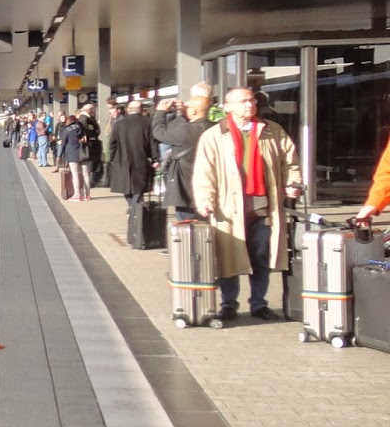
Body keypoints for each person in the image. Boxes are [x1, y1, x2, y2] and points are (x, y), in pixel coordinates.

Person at [193, 86, 301, 323]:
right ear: (228, 107)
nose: (249, 105)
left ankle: (259, 304)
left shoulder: (272, 130)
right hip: (228, 209)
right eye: (243, 101)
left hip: (263, 207)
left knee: (261, 258)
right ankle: (228, 304)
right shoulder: (214, 135)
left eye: (251, 100)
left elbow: (290, 161)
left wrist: (293, 182)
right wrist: (205, 199)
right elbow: (204, 172)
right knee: (227, 259)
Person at [153, 91, 214, 221]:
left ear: (193, 111)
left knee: (187, 224)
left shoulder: (185, 130)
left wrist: (160, 112)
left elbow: (160, 132)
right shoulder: (214, 128)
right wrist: (182, 112)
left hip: (185, 187)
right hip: (208, 186)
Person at [107, 101, 156, 204]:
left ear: (128, 110)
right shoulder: (148, 122)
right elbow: (153, 143)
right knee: (139, 186)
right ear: (141, 110)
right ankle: (135, 208)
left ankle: (133, 207)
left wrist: (112, 158)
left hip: (122, 158)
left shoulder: (119, 124)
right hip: (141, 158)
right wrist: (155, 158)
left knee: (126, 186)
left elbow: (112, 143)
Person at [57, 113, 91, 200]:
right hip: (83, 152)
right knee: (86, 174)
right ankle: (87, 195)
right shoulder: (81, 127)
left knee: (75, 174)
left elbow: (63, 143)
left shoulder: (67, 130)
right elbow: (86, 137)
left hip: (72, 153)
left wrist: (60, 144)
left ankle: (77, 195)